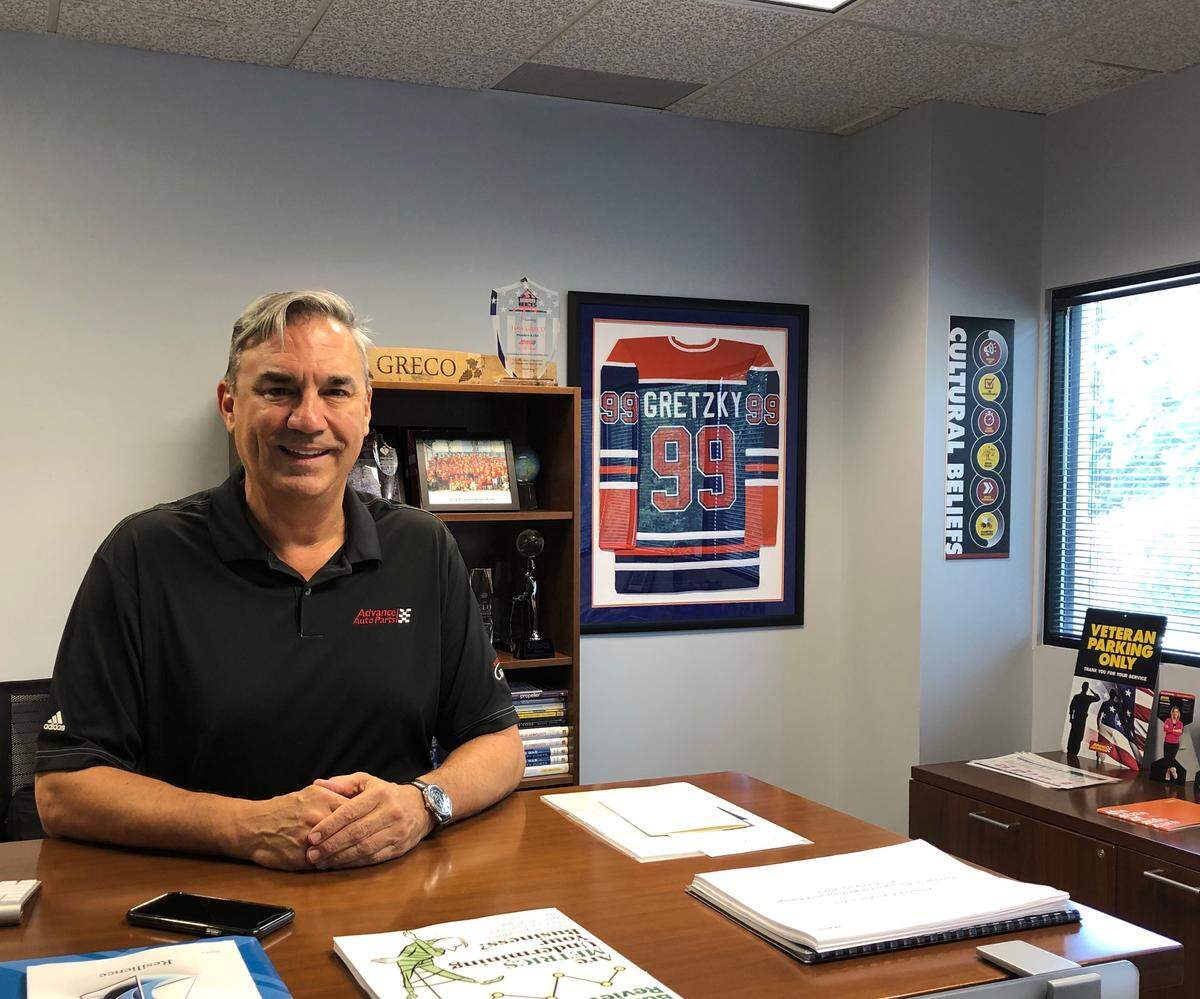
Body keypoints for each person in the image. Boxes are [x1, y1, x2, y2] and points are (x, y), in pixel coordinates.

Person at [34, 290, 525, 870]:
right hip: (206, 913)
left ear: (367, 409)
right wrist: (246, 827)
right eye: (277, 389)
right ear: (229, 405)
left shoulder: (424, 548)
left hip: (390, 907)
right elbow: (64, 791)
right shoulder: (142, 556)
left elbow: (499, 744)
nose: (308, 419)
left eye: (336, 390)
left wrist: (422, 804)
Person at [1066, 681, 1101, 756]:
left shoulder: (1076, 696)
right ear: (1087, 688)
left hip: (1076, 719)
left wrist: (1071, 717)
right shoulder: (1088, 698)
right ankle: (1074, 752)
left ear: (1082, 687)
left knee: (1073, 734)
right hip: (1081, 720)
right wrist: (1093, 692)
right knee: (1079, 736)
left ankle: (1070, 750)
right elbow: (1098, 698)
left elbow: (1071, 708)